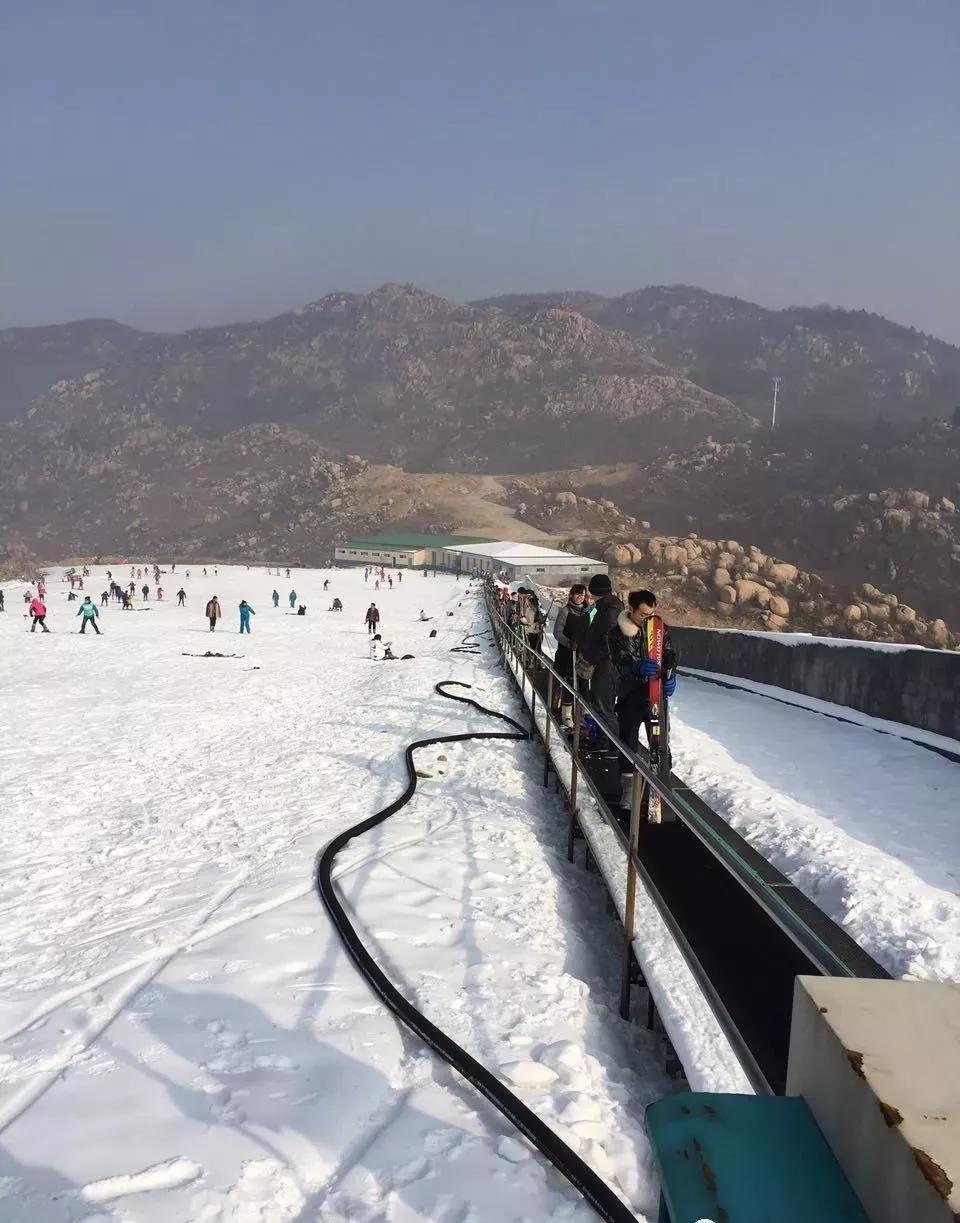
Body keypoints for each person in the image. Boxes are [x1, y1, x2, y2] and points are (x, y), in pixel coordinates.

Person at [610, 590, 678, 807]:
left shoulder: (659, 629)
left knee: (659, 741)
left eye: (651, 614)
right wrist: (635, 666)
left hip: (655, 696)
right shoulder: (617, 633)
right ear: (631, 610)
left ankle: (659, 787)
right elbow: (618, 662)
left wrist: (670, 674)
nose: (648, 618)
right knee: (628, 741)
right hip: (630, 695)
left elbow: (669, 654)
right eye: (643, 614)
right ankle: (628, 788)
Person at [576, 573, 624, 733]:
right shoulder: (603, 607)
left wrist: (590, 658)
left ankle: (610, 745)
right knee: (598, 705)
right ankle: (602, 740)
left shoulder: (611, 611)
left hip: (606, 666)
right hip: (602, 665)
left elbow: (607, 642)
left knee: (604, 708)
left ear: (593, 591)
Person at [553, 584, 589, 728]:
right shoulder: (565, 611)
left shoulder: (587, 612)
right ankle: (566, 714)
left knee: (583, 684)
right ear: (572, 595)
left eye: (582, 595)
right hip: (567, 653)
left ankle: (584, 715)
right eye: (577, 594)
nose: (580, 597)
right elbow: (557, 632)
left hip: (583, 654)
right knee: (568, 682)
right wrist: (568, 643)